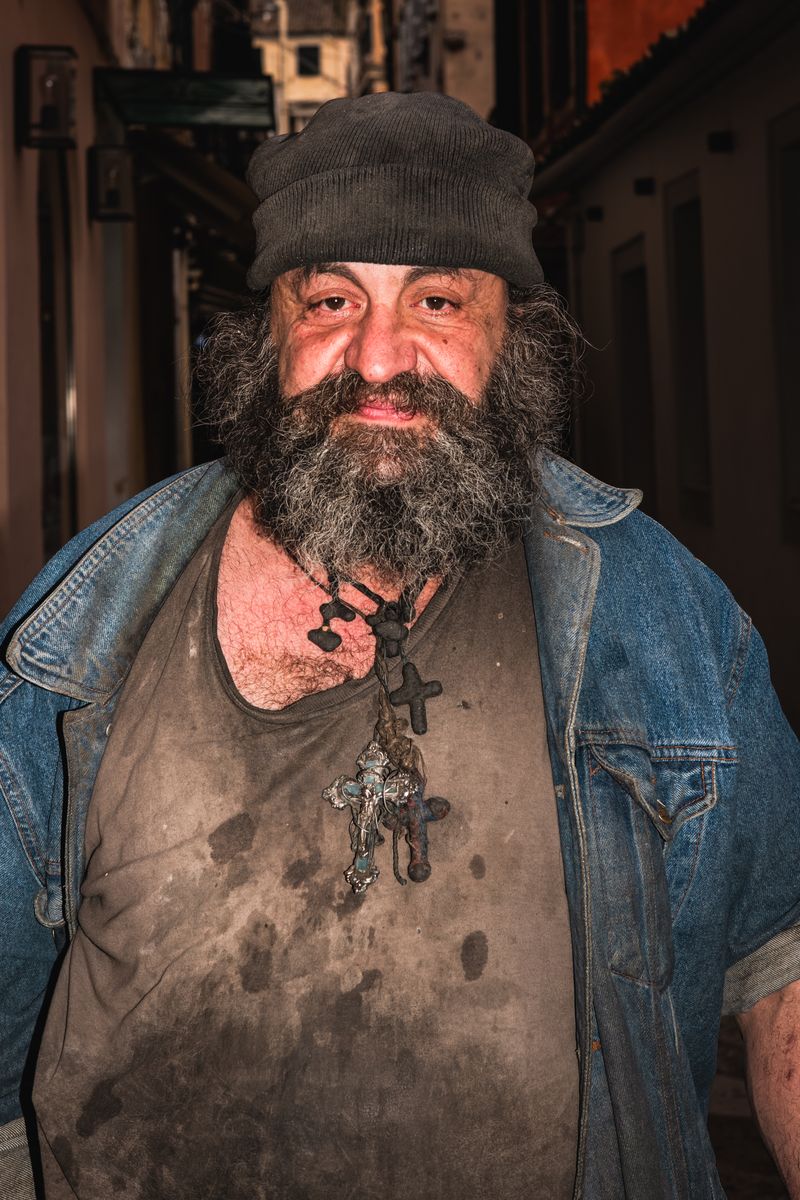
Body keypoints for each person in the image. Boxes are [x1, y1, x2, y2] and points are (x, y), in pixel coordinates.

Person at [1, 91, 799, 1200]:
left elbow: (779, 964)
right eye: (330, 301)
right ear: (269, 338)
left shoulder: (664, 613)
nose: (378, 358)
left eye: (437, 300)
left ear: (511, 338)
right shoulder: (85, 622)